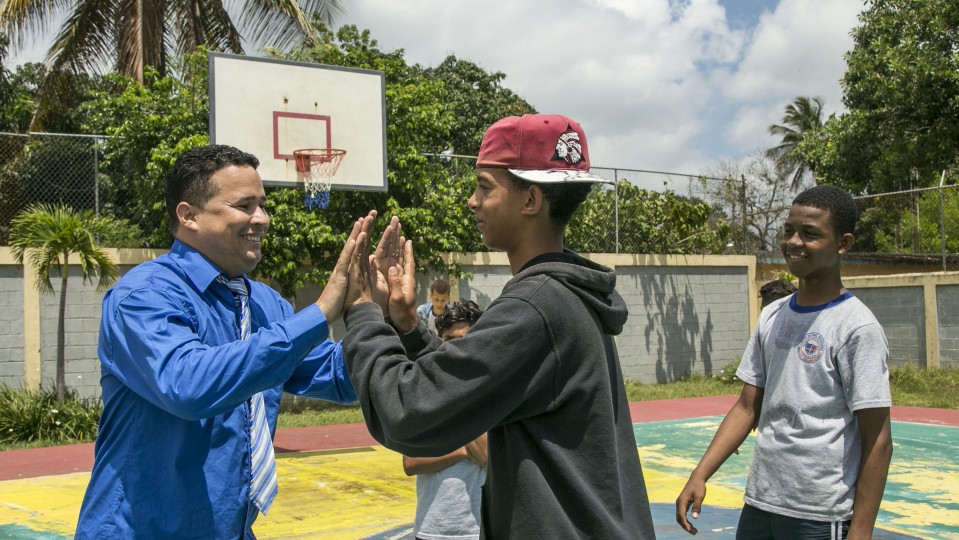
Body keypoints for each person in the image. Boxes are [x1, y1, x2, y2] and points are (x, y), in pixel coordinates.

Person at [338, 114, 656, 538]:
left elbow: (409, 412)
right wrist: (408, 325)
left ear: (530, 200)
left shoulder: (535, 306)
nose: (472, 200)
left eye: (485, 186)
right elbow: (468, 388)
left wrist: (361, 310)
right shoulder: (567, 295)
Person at [75, 145, 365, 539]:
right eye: (244, 205)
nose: (261, 218)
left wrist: (389, 322)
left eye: (262, 204)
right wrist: (319, 313)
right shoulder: (144, 295)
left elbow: (338, 377)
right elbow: (188, 385)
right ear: (189, 215)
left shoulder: (265, 305)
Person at [676, 185, 893, 539]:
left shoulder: (857, 328)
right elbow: (747, 407)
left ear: (844, 243)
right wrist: (700, 474)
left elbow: (878, 438)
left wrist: (862, 530)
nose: (794, 242)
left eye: (810, 234)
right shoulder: (773, 316)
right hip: (762, 503)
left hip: (821, 514)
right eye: (788, 231)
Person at [403, 299, 487, 540]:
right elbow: (410, 461)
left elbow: (487, 455)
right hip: (432, 528)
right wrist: (463, 450)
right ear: (440, 343)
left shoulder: (492, 391)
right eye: (450, 341)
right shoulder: (425, 392)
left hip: (477, 528)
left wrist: (442, 443)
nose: (457, 349)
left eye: (465, 340)